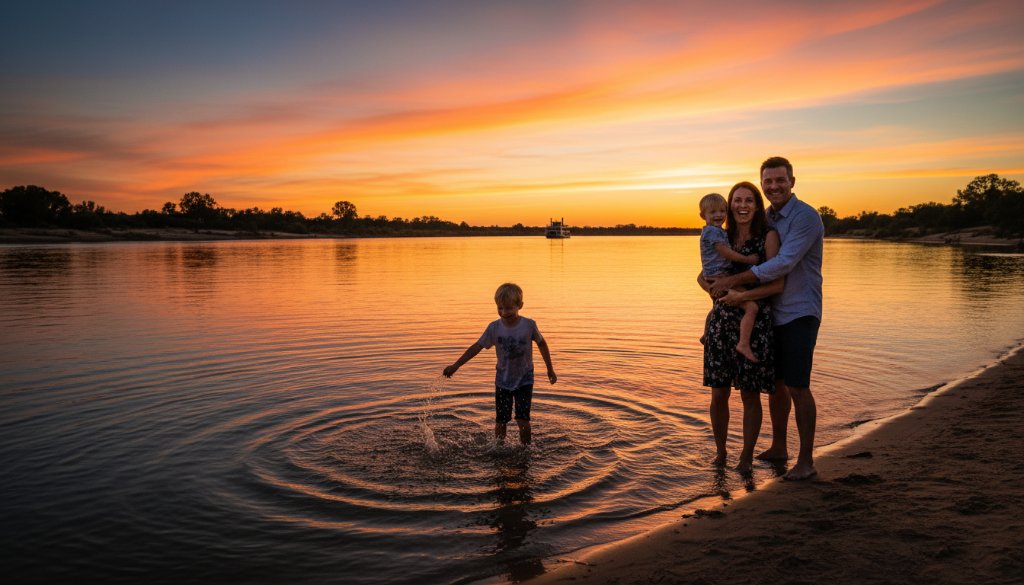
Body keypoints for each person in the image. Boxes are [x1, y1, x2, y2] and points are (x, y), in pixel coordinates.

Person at [710, 156, 824, 481]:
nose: (774, 186)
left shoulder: (806, 218)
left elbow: (783, 264)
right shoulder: (769, 218)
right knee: (776, 386)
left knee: (798, 385)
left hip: (800, 311)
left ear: (792, 181)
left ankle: (806, 461)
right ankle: (778, 446)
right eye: (768, 181)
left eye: (780, 180)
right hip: (771, 313)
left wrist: (734, 286)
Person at [698, 182, 785, 473]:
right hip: (722, 321)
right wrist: (713, 290)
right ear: (730, 206)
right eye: (737, 200)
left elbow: (777, 283)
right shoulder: (724, 236)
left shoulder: (768, 237)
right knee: (718, 392)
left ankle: (746, 456)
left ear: (757, 205)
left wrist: (741, 295)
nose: (742, 205)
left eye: (749, 200)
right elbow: (703, 277)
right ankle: (721, 453)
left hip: (753, 323)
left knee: (749, 393)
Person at [443, 282, 557, 445]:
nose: (504, 313)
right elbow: (477, 347)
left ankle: (526, 450)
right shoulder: (494, 328)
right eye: (500, 308)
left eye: (509, 308)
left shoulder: (529, 325)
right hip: (502, 381)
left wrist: (550, 369)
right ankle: (498, 449)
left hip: (525, 380)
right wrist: (456, 365)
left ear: (520, 306)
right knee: (501, 421)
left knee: (522, 420)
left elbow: (542, 344)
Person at [698, 192, 762, 362]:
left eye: (722, 211)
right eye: (713, 212)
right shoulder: (713, 232)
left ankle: (705, 335)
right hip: (720, 276)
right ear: (703, 215)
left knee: (717, 306)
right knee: (751, 308)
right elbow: (725, 252)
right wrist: (748, 259)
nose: (719, 215)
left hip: (714, 275)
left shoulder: (715, 231)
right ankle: (743, 344)